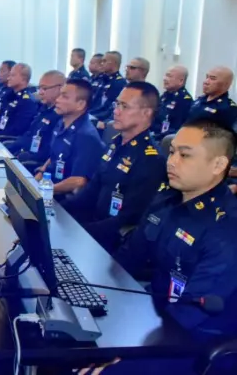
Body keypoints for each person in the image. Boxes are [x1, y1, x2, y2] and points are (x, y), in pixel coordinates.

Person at [116, 118, 237, 337]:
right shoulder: (167, 198)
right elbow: (130, 256)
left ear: (218, 165)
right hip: (152, 309)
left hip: (193, 337)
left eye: (185, 155)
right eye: (172, 152)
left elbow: (190, 314)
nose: (171, 162)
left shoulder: (227, 227)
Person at [61, 82, 166, 252]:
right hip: (93, 225)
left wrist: (79, 232)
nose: (116, 111)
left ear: (146, 113)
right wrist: (57, 211)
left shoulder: (150, 159)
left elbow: (128, 219)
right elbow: (90, 192)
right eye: (117, 104)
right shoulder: (115, 144)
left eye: (124, 106)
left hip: (113, 242)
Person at [35, 79, 105, 197]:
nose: (57, 100)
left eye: (64, 97)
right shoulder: (61, 123)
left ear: (80, 105)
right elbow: (54, 156)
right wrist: (40, 173)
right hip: (49, 184)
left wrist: (45, 190)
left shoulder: (86, 136)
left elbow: (79, 180)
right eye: (59, 95)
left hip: (63, 195)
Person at [7, 70, 65, 167]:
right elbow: (29, 135)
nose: (40, 92)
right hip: (22, 154)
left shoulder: (60, 116)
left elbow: (49, 151)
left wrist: (25, 156)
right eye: (39, 88)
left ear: (59, 88)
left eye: (44, 88)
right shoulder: (43, 109)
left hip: (33, 163)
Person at [0, 63, 39, 137]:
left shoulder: (27, 102)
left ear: (23, 80)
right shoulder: (10, 94)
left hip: (2, 139)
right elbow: (0, 117)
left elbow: (16, 130)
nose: (8, 78)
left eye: (12, 75)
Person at [152, 65, 193, 138]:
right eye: (165, 75)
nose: (164, 79)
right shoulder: (165, 96)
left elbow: (178, 128)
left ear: (181, 81)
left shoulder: (184, 100)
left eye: (169, 76)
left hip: (167, 139)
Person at [90, 51, 127, 129]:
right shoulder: (102, 79)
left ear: (113, 63)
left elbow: (109, 107)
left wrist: (92, 116)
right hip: (94, 114)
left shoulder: (119, 82)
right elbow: (95, 101)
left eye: (104, 61)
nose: (101, 64)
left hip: (102, 120)